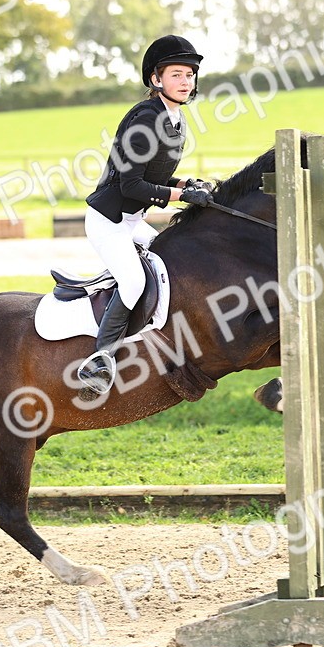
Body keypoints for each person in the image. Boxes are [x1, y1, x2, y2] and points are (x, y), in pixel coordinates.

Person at [77, 35, 213, 395]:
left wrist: (187, 182)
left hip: (133, 221)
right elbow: (130, 186)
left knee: (171, 264)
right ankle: (99, 360)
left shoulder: (175, 119)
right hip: (109, 222)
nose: (186, 82)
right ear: (156, 80)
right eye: (177, 75)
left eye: (190, 75)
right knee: (135, 282)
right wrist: (182, 195)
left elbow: (154, 176)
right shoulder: (145, 119)